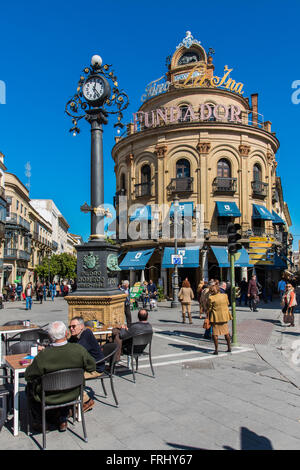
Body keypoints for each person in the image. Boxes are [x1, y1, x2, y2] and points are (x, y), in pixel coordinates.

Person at [25, 321, 96, 432]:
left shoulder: (44, 355)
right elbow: (91, 366)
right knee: (64, 384)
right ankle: (62, 418)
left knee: (29, 387)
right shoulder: (79, 350)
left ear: (50, 336)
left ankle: (40, 421)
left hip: (49, 396)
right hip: (73, 393)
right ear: (66, 333)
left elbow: (28, 376)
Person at [68, 317, 106, 411]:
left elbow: (77, 351)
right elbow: (67, 346)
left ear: (81, 326)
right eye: (70, 327)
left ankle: (87, 401)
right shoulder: (76, 336)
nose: (71, 329)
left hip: (95, 368)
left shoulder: (86, 334)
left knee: (71, 378)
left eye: (73, 326)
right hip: (86, 366)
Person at [207, 284, 232, 355]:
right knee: (226, 332)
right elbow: (228, 303)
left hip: (216, 317)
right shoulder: (225, 295)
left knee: (215, 334)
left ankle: (216, 350)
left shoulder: (211, 298)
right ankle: (229, 348)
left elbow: (209, 308)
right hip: (224, 317)